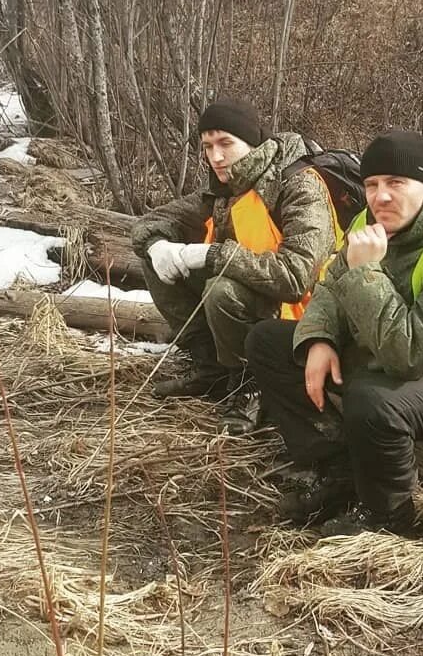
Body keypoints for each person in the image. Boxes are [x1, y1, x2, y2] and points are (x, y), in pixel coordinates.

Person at [245, 129, 423, 534]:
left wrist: (365, 272)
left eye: (397, 183)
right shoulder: (369, 220)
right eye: (371, 184)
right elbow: (331, 287)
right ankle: (337, 469)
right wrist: (319, 337)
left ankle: (388, 516)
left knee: (372, 399)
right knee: (268, 342)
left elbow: (409, 355)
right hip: (391, 346)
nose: (381, 196)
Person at [131, 98, 340, 435]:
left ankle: (251, 384)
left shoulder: (300, 186)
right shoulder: (227, 188)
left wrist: (212, 255)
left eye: (226, 143)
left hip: (305, 317)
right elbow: (152, 222)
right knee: (155, 259)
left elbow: (296, 277)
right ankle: (212, 366)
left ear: (252, 142)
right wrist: (158, 246)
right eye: (208, 146)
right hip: (259, 299)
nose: (215, 156)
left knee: (221, 289)